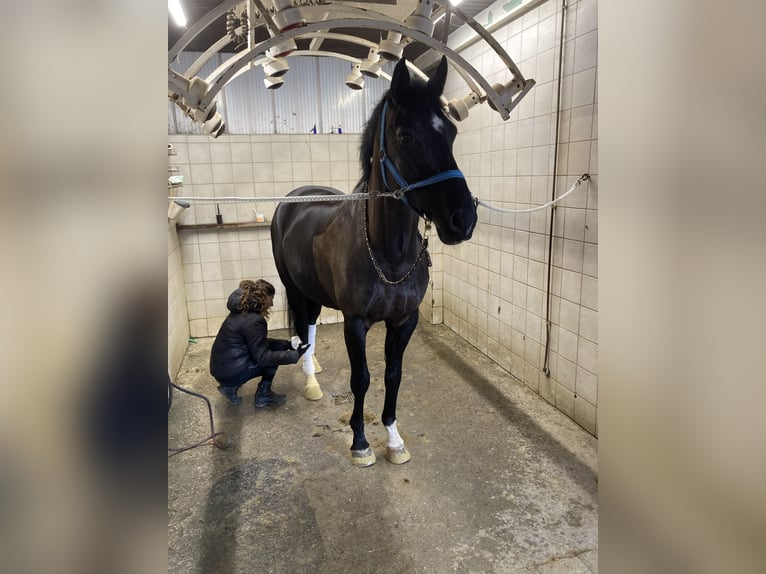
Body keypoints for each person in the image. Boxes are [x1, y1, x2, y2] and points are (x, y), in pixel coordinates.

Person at [209, 279, 309, 407]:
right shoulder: (254, 321)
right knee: (272, 359)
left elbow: (258, 343)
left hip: (221, 368)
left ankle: (229, 388)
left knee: (271, 350)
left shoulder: (241, 310)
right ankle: (263, 395)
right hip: (230, 372)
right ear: (264, 298)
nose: (272, 304)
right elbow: (263, 357)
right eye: (271, 299)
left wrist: (288, 344)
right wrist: (295, 355)